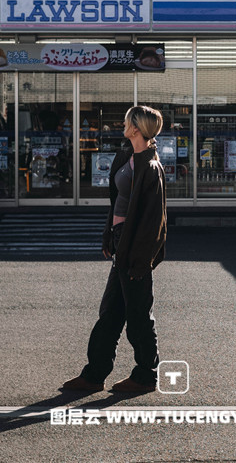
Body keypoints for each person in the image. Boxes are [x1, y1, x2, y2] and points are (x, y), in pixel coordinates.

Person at [61, 105, 167, 394]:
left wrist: (141, 259)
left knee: (138, 315)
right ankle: (95, 374)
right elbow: (117, 201)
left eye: (126, 121)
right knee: (110, 312)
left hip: (135, 248)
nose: (122, 124)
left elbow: (153, 221)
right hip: (122, 241)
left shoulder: (150, 167)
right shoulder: (128, 157)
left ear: (136, 128)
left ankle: (146, 374)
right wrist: (109, 234)